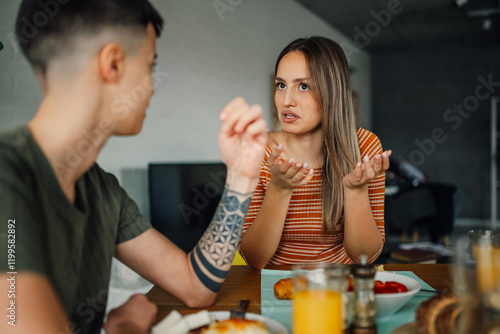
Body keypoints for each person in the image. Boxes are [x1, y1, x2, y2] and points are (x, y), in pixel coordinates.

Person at [0, 1, 267, 334]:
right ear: (112, 63)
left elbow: (195, 285)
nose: (152, 86)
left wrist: (240, 177)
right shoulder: (7, 178)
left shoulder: (102, 190)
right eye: (150, 66)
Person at [238, 36, 390, 269]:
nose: (286, 101)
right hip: (274, 289)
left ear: (332, 92)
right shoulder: (255, 148)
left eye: (304, 86)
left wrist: (356, 191)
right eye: (281, 85)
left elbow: (366, 257)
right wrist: (279, 189)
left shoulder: (365, 146)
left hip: (341, 287)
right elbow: (254, 259)